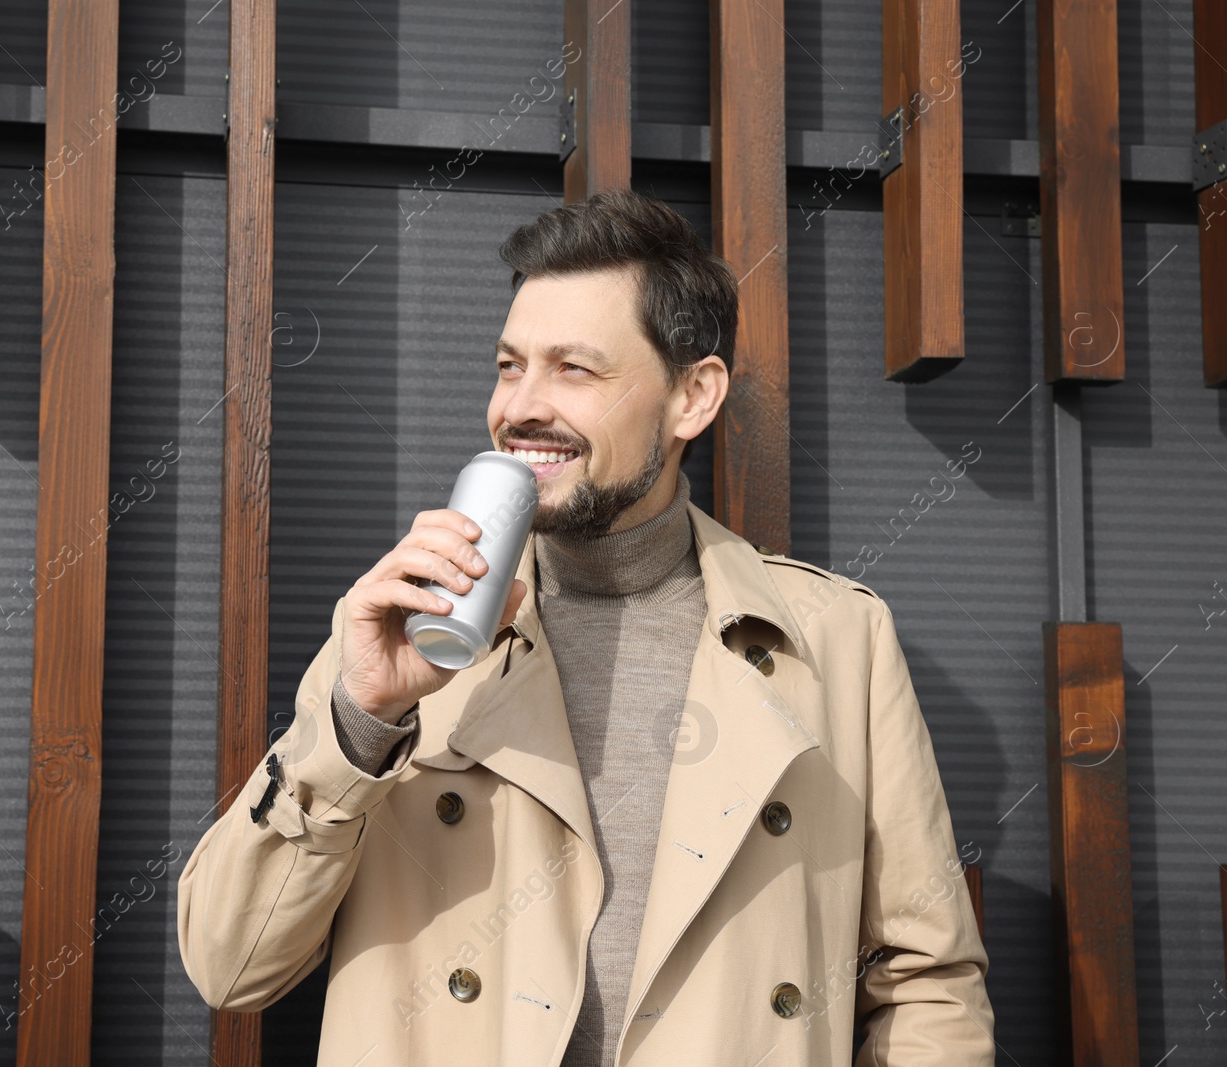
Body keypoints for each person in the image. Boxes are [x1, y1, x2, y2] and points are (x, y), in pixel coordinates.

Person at [178, 189, 994, 1065]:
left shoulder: (836, 639)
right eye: (508, 365)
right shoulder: (401, 626)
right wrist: (360, 723)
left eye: (574, 369)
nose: (521, 407)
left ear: (693, 397)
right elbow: (231, 967)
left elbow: (927, 983)